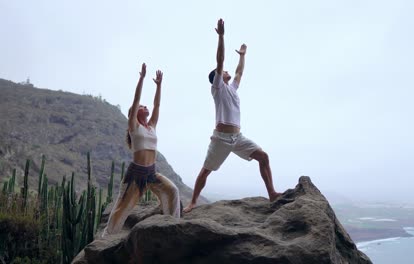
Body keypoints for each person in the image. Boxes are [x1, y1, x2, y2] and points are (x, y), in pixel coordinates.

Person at [183, 19, 281, 213]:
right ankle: (193, 201)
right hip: (221, 139)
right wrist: (221, 36)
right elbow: (220, 61)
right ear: (217, 77)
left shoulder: (232, 88)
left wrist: (243, 56)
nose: (227, 71)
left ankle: (272, 193)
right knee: (206, 171)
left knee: (263, 157)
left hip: (238, 137)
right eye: (223, 72)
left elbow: (239, 72)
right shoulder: (217, 87)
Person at [102, 63, 180, 237]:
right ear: (135, 113)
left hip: (152, 173)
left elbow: (157, 105)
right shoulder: (134, 126)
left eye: (145, 106)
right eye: (142, 106)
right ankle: (106, 238)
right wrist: (142, 78)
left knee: (172, 190)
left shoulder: (151, 126)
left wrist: (159, 86)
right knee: (121, 209)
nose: (145, 107)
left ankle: (174, 226)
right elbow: (135, 100)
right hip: (136, 176)